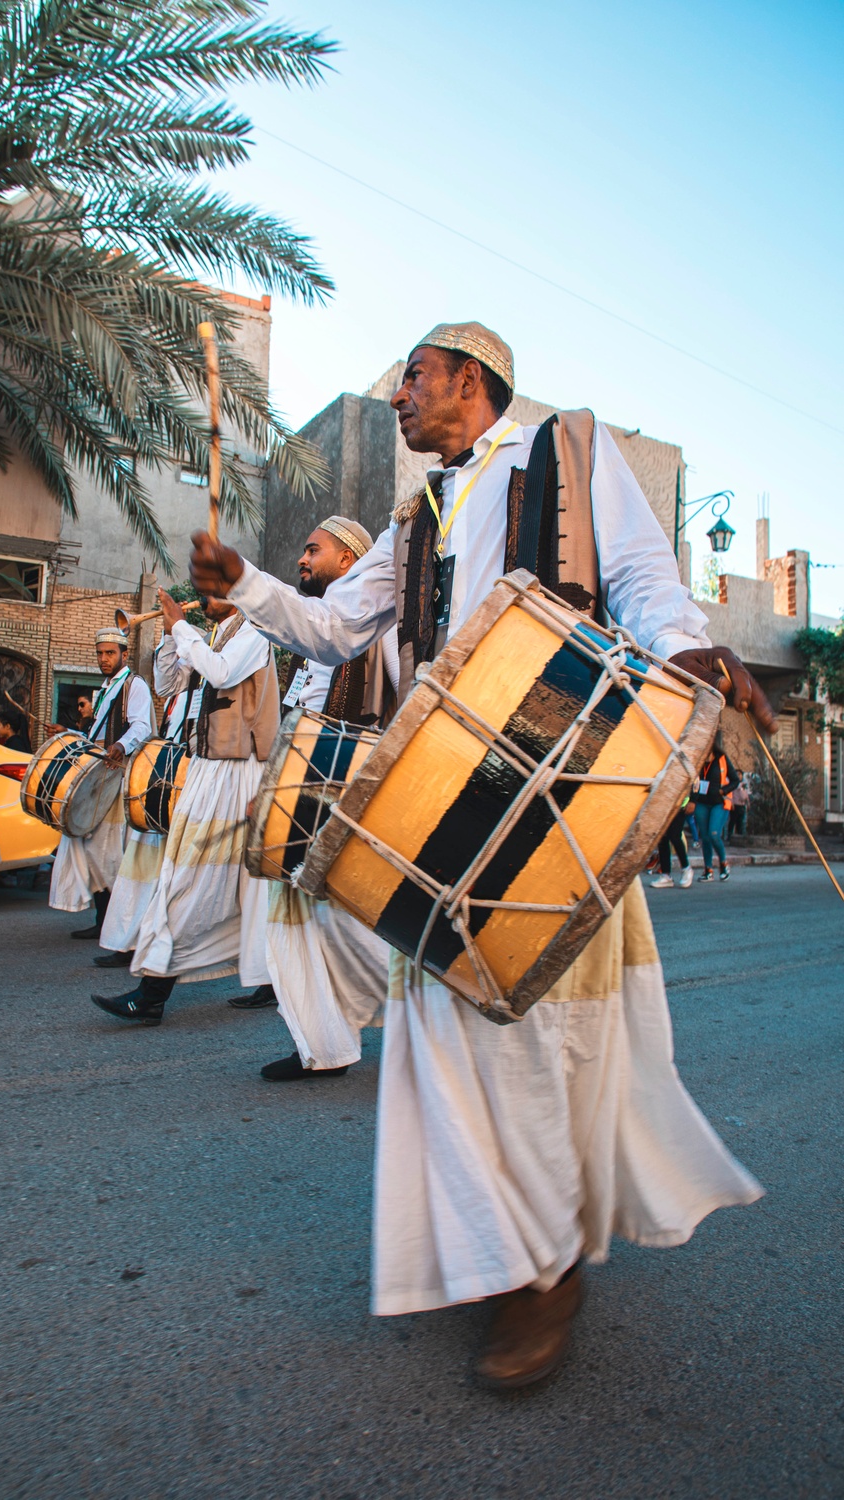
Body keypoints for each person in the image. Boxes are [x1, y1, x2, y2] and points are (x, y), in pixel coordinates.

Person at [188, 319, 776, 1388]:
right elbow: (331, 629)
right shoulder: (411, 518)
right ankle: (504, 1251)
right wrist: (246, 585)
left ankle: (543, 1269)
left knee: (528, 1030)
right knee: (448, 1031)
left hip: (552, 782)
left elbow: (643, 580)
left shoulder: (571, 452)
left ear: (472, 377)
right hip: (435, 800)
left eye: (413, 375)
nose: (402, 394)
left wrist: (688, 650)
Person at [91, 594, 280, 1026]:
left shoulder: (254, 633)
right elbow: (167, 684)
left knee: (195, 882)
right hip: (209, 769)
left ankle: (155, 993)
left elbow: (222, 671)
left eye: (210, 589)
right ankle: (158, 991)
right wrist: (168, 633)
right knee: (201, 883)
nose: (202, 599)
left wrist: (180, 627)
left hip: (238, 774)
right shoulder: (214, 635)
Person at [257, 515, 399, 1080]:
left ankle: (425, 1008)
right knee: (300, 916)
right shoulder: (312, 641)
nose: (302, 560)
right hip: (304, 794)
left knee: (349, 920)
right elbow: (300, 716)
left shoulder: (378, 629)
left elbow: (407, 703)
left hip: (349, 797)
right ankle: (323, 1043)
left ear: (349, 561)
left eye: (313, 550)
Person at [93, 591, 198, 970]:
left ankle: (159, 950)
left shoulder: (215, 664)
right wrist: (170, 633)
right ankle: (129, 942)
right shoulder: (182, 676)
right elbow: (165, 681)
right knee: (140, 865)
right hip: (165, 772)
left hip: (191, 774)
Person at [49, 626, 154, 940]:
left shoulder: (134, 685)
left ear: (124, 654)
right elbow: (97, 735)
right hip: (96, 775)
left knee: (107, 849)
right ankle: (102, 918)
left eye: (110, 653)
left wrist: (121, 745)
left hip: (117, 777)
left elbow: (142, 726)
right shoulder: (106, 687)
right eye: (100, 653)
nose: (104, 658)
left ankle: (114, 920)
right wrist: (69, 732)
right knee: (88, 843)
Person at [694, 737, 737, 882]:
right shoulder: (698, 761)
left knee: (713, 834)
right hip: (702, 803)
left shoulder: (722, 759)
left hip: (719, 803)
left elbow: (735, 780)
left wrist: (723, 791)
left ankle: (724, 864)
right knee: (705, 837)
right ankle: (708, 870)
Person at [649, 802, 694, 889]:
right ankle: (666, 875)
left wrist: (693, 801)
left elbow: (693, 787)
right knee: (662, 837)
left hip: (680, 803)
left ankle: (686, 868)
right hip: (664, 803)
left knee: (675, 836)